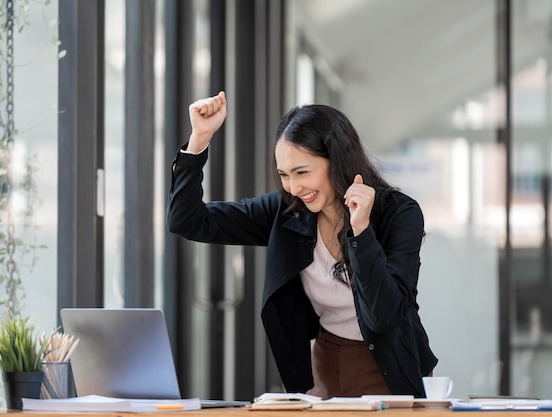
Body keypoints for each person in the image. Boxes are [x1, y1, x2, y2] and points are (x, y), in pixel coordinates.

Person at [167, 91, 438, 398]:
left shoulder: (399, 214)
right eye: (284, 175)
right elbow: (187, 221)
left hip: (393, 369)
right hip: (326, 363)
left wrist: (361, 233)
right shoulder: (286, 212)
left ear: (336, 161)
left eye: (302, 172)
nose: (294, 188)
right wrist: (199, 140)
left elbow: (384, 316)